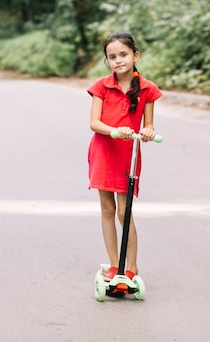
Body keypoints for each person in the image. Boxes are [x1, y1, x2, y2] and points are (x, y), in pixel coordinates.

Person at [87, 32, 162, 281]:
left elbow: (148, 124)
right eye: (112, 57)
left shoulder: (148, 89)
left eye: (123, 54)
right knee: (107, 209)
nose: (118, 60)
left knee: (124, 211)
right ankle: (112, 264)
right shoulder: (101, 86)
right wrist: (115, 131)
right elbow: (94, 123)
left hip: (127, 155)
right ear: (107, 61)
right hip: (103, 151)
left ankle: (131, 266)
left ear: (135, 55)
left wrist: (148, 131)